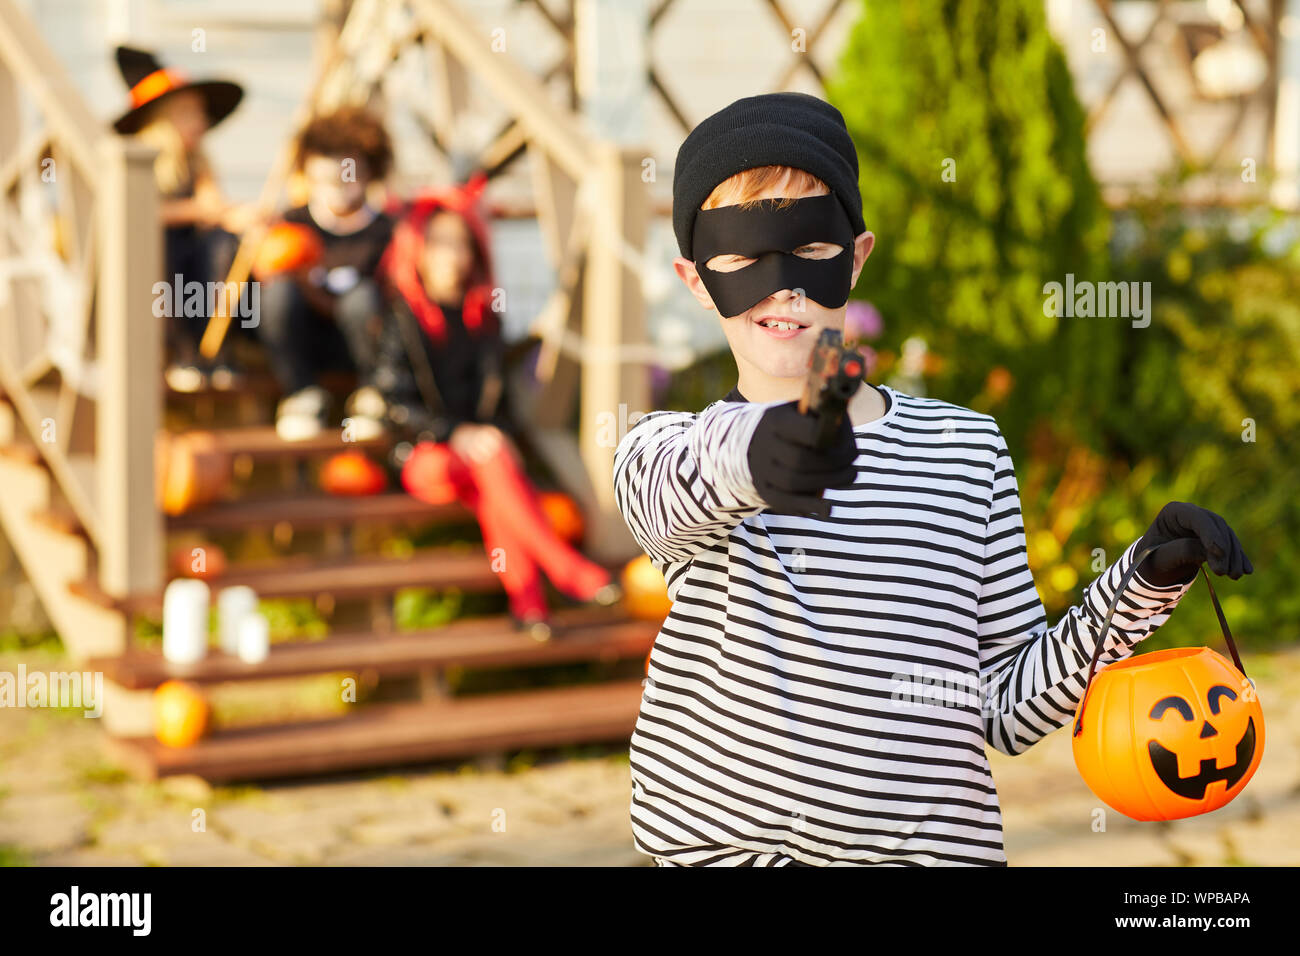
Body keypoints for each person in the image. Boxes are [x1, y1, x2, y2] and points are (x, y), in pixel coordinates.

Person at [613, 91, 1255, 866]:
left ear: (855, 256)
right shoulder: (676, 453)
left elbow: (1005, 704)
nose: (781, 285)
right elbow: (665, 487)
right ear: (692, 277)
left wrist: (1144, 581)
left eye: (811, 250)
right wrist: (757, 454)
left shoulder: (964, 449)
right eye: (743, 257)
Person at [372, 173, 620, 641]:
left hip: (480, 461)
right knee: (490, 461)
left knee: (492, 477)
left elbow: (495, 402)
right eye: (442, 244)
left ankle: (530, 609)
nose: (455, 256)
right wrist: (455, 433)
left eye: (463, 245)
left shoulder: (482, 315)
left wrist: (495, 437)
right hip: (424, 456)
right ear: (418, 248)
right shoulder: (398, 316)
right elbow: (394, 403)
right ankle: (564, 569)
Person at [112, 45, 253, 392]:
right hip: (160, 268)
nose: (201, 122)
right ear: (163, 118)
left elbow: (212, 206)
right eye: (189, 112)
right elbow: (138, 214)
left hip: (196, 265)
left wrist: (242, 217)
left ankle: (213, 348)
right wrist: (198, 211)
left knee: (223, 245)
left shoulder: (198, 162)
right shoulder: (140, 162)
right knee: (159, 250)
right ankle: (180, 352)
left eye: (201, 114)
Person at [258, 107, 396, 440]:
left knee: (362, 299)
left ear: (368, 173)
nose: (335, 188)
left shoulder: (387, 233)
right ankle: (300, 395)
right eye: (323, 178)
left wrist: (315, 291)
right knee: (276, 293)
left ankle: (372, 396)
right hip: (304, 344)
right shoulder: (291, 224)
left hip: (357, 345)